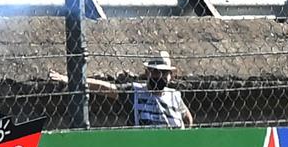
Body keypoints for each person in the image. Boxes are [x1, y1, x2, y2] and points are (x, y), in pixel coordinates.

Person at [50, 51, 194, 128]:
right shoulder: (135, 92)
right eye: (155, 72)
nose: (159, 76)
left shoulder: (174, 96)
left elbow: (188, 119)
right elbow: (105, 88)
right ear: (148, 72)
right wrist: (71, 80)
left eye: (164, 73)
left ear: (171, 75)